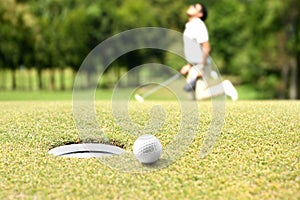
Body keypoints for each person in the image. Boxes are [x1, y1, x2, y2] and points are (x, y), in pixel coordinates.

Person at [180, 3, 238, 101]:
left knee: (200, 96)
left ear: (200, 14)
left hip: (201, 64)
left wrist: (201, 67)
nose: (191, 6)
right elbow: (194, 51)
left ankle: (224, 87)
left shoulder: (198, 24)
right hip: (194, 65)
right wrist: (188, 66)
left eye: (195, 6)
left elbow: (206, 47)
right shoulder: (190, 25)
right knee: (191, 97)